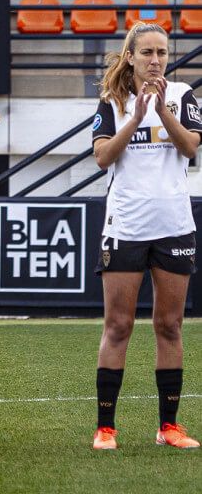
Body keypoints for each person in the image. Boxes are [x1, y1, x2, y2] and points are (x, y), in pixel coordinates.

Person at [90, 22, 201, 451]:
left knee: (169, 326)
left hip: (173, 224)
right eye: (147, 52)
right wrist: (134, 117)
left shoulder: (182, 95)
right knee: (118, 325)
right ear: (131, 57)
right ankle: (105, 428)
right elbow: (102, 157)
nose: (156, 60)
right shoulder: (111, 101)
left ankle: (168, 426)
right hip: (126, 226)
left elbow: (190, 148)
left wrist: (161, 113)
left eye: (162, 52)